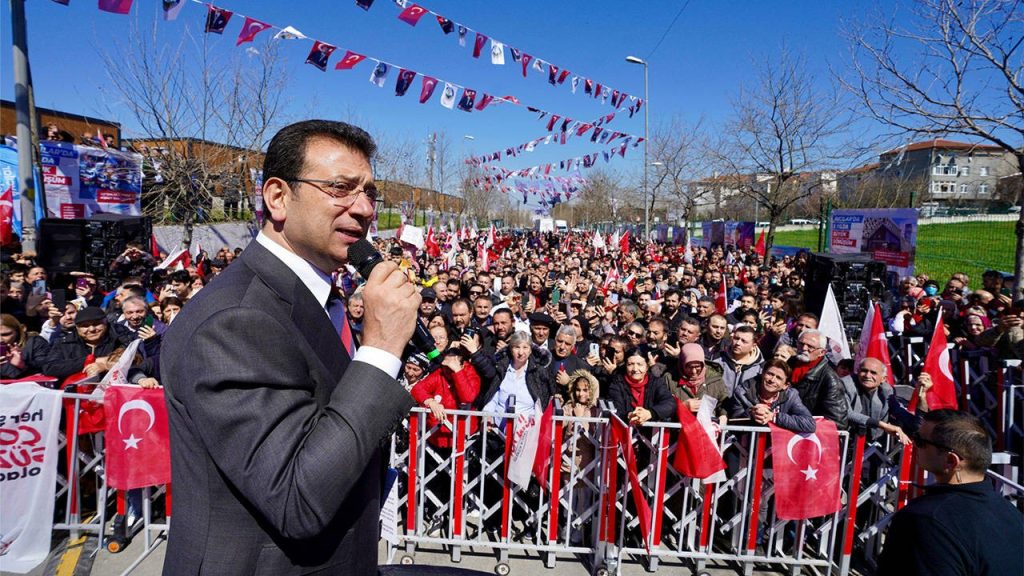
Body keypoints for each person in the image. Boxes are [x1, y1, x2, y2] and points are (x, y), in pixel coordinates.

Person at [159, 120, 420, 576]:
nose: (363, 209)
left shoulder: (321, 298)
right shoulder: (236, 321)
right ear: (278, 197)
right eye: (340, 188)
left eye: (370, 193)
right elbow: (298, 497)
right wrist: (379, 350)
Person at [877, 410, 1024, 576]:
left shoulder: (924, 520)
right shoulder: (1012, 514)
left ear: (951, 460)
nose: (914, 444)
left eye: (920, 440)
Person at [726, 359, 815, 433]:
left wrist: (774, 417)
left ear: (785, 385)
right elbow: (733, 424)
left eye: (778, 378)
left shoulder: (791, 396)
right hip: (744, 446)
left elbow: (809, 424)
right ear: (762, 374)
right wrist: (751, 414)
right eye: (770, 374)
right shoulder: (743, 391)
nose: (772, 380)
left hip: (775, 446)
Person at [789, 329, 848, 429]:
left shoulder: (830, 380)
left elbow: (837, 421)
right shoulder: (789, 363)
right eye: (801, 344)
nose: (804, 348)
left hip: (806, 435)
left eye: (810, 347)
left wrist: (803, 424)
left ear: (822, 352)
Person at [607, 349, 676, 425]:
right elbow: (615, 408)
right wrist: (630, 415)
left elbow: (670, 403)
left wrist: (650, 413)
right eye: (630, 364)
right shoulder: (617, 383)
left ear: (647, 367)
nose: (635, 369)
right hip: (625, 431)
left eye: (640, 364)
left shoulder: (656, 382)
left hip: (651, 432)